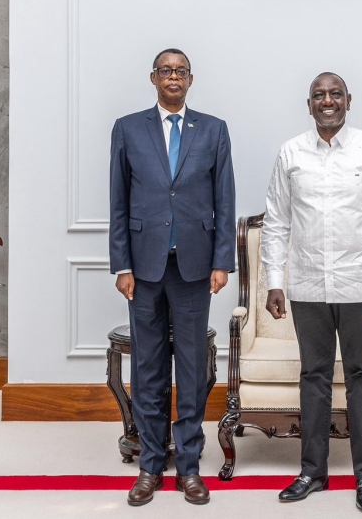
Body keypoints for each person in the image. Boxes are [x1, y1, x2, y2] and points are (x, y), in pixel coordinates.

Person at [260, 72, 362, 513]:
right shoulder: (291, 153)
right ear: (309, 105)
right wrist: (274, 282)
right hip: (307, 284)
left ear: (349, 101)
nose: (328, 101)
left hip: (361, 285)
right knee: (314, 377)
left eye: (335, 94)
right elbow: (276, 223)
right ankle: (312, 472)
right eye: (319, 96)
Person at [109, 48, 236, 507]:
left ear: (191, 79)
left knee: (192, 370)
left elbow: (225, 200)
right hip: (142, 269)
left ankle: (188, 467)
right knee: (147, 371)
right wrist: (121, 266)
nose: (174, 77)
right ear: (153, 78)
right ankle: (148, 466)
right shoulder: (128, 128)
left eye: (181, 71)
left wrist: (222, 261)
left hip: (195, 268)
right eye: (166, 71)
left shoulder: (214, 130)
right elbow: (118, 202)